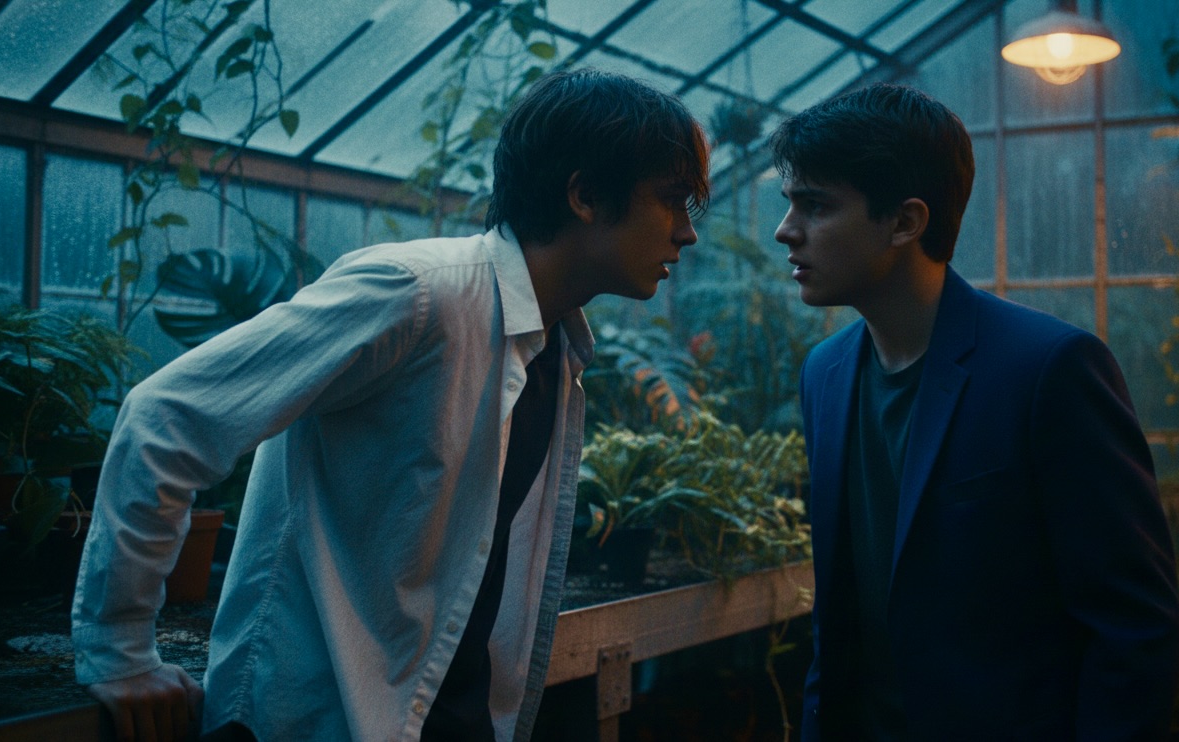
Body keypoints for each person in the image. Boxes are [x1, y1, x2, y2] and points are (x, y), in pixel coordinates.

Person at [72, 68, 708, 742]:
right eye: (670, 200)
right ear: (583, 194)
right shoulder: (419, 294)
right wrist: (120, 651)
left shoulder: (551, 347)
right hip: (321, 718)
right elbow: (166, 417)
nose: (685, 234)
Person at [770, 83, 1179, 740]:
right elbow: (840, 615)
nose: (785, 230)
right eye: (790, 203)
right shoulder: (824, 374)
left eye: (814, 206)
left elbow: (1131, 625)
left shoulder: (1047, 368)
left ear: (905, 221)